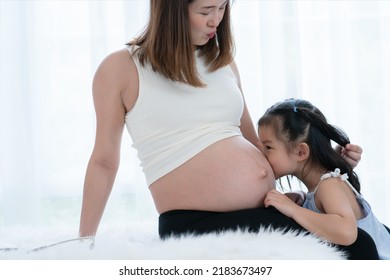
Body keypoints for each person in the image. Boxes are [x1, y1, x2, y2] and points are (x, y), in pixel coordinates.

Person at [79, 0, 374, 259]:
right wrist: (83, 243)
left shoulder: (222, 62)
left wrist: (328, 162)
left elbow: (255, 144)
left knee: (369, 232)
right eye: (206, 10)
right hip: (195, 222)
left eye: (222, 8)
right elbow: (104, 162)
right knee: (360, 246)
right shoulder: (121, 68)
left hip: (259, 211)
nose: (216, 20)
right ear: (171, 10)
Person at [258, 98, 390, 259]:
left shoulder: (330, 185)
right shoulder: (322, 186)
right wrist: (301, 197)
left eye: (268, 147)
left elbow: (346, 232)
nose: (261, 154)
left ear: (301, 152)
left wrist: (294, 210)